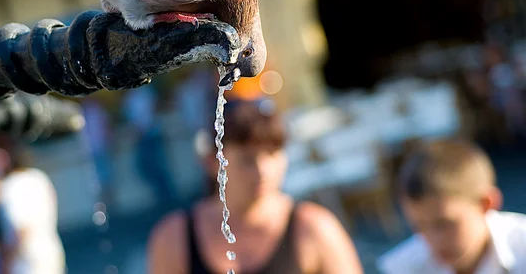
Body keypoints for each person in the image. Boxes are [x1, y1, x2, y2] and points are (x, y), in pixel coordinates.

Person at [147, 98, 363, 274]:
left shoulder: (314, 229)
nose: (262, 171)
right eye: (247, 159)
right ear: (212, 162)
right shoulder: (174, 238)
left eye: (272, 153)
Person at [377, 139, 526, 274]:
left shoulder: (522, 250)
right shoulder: (403, 268)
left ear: (485, 204)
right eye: (418, 226)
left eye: (444, 223)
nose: (434, 240)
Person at [0, 133, 66, 274]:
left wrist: (6, 262)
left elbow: (22, 230)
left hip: (27, 262)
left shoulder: (11, 187)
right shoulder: (38, 177)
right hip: (51, 251)